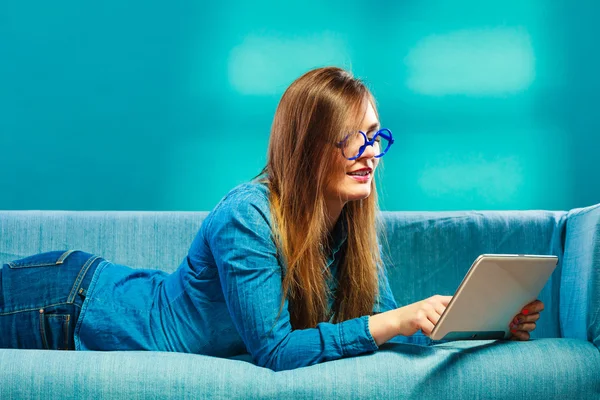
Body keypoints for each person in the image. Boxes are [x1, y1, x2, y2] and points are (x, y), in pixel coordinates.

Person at [0, 67, 544, 371]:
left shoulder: (345, 223)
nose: (370, 152)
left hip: (83, 293)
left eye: (375, 135)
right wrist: (395, 320)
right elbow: (277, 351)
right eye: (353, 138)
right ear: (307, 148)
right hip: (69, 304)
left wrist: (478, 331)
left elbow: (375, 328)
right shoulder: (249, 217)